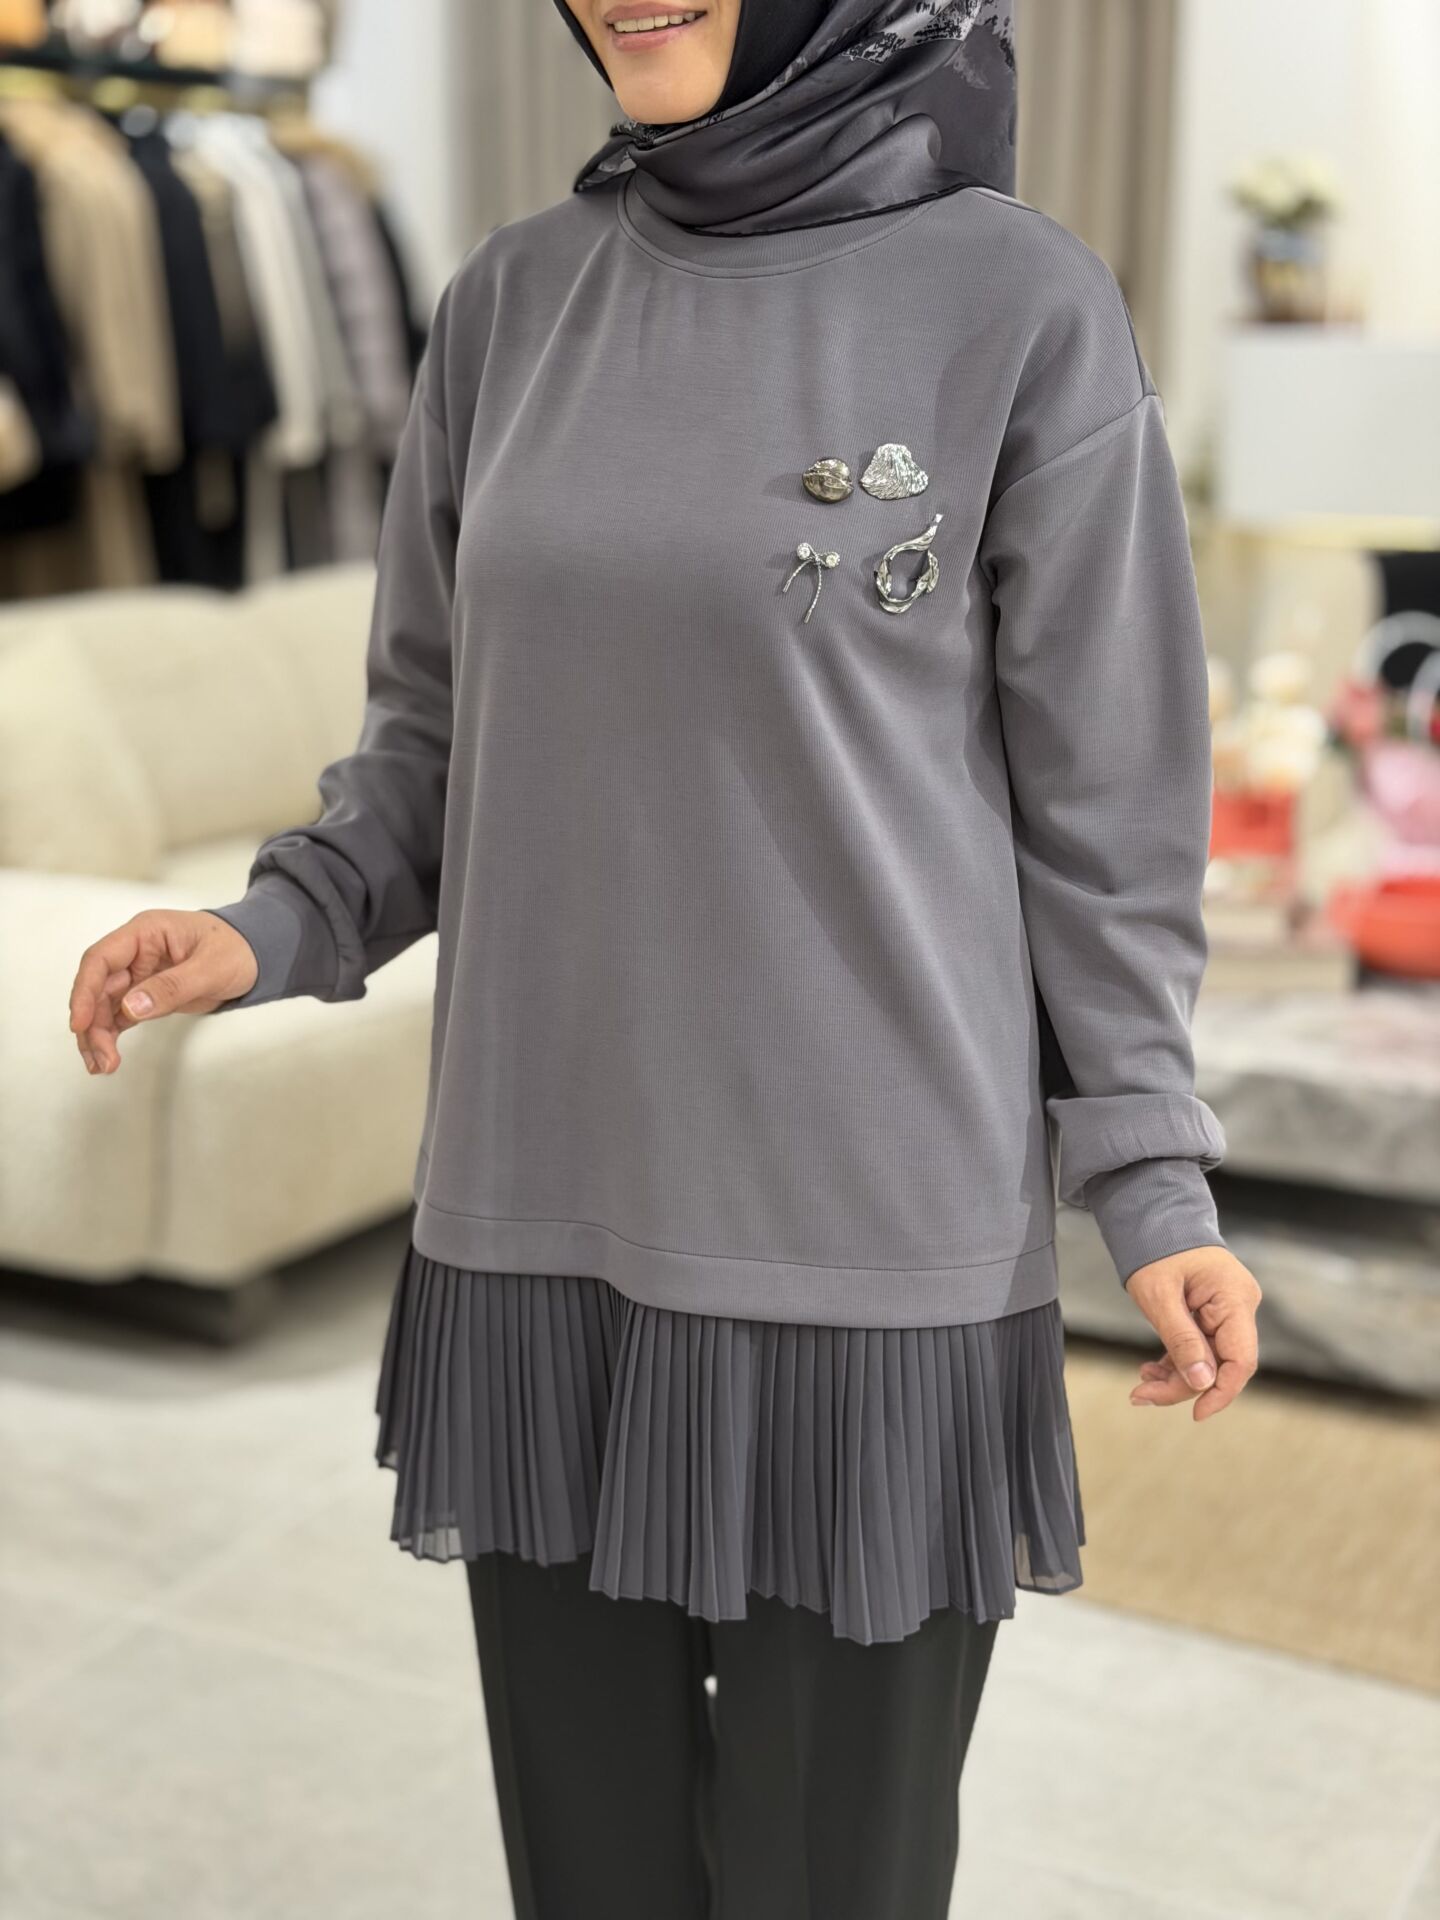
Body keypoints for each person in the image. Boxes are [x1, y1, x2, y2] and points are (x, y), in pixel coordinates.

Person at [67, 3, 1264, 1915]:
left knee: (831, 1881)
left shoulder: (1020, 304)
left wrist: (1151, 1174)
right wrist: (265, 924)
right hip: (537, 1236)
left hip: (867, 1264)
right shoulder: (511, 303)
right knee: (591, 1880)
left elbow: (1109, 813)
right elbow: (430, 747)